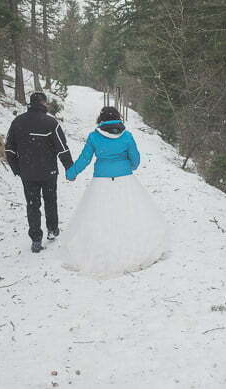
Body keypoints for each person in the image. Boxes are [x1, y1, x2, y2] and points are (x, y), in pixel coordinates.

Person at [62, 106, 166, 277]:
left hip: (101, 181)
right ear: (118, 118)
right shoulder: (126, 136)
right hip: (125, 180)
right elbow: (136, 159)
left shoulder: (94, 137)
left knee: (100, 216)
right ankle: (133, 246)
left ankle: (99, 249)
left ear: (100, 120)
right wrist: (127, 167)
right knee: (129, 214)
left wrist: (72, 173)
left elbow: (85, 158)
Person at [5, 92, 73, 253]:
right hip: (48, 171)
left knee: (32, 204)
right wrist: (69, 167)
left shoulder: (18, 122)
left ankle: (36, 238)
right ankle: (52, 229)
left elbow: (9, 148)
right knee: (50, 200)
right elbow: (61, 147)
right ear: (43, 103)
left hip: (27, 172)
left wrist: (17, 168)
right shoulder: (50, 122)